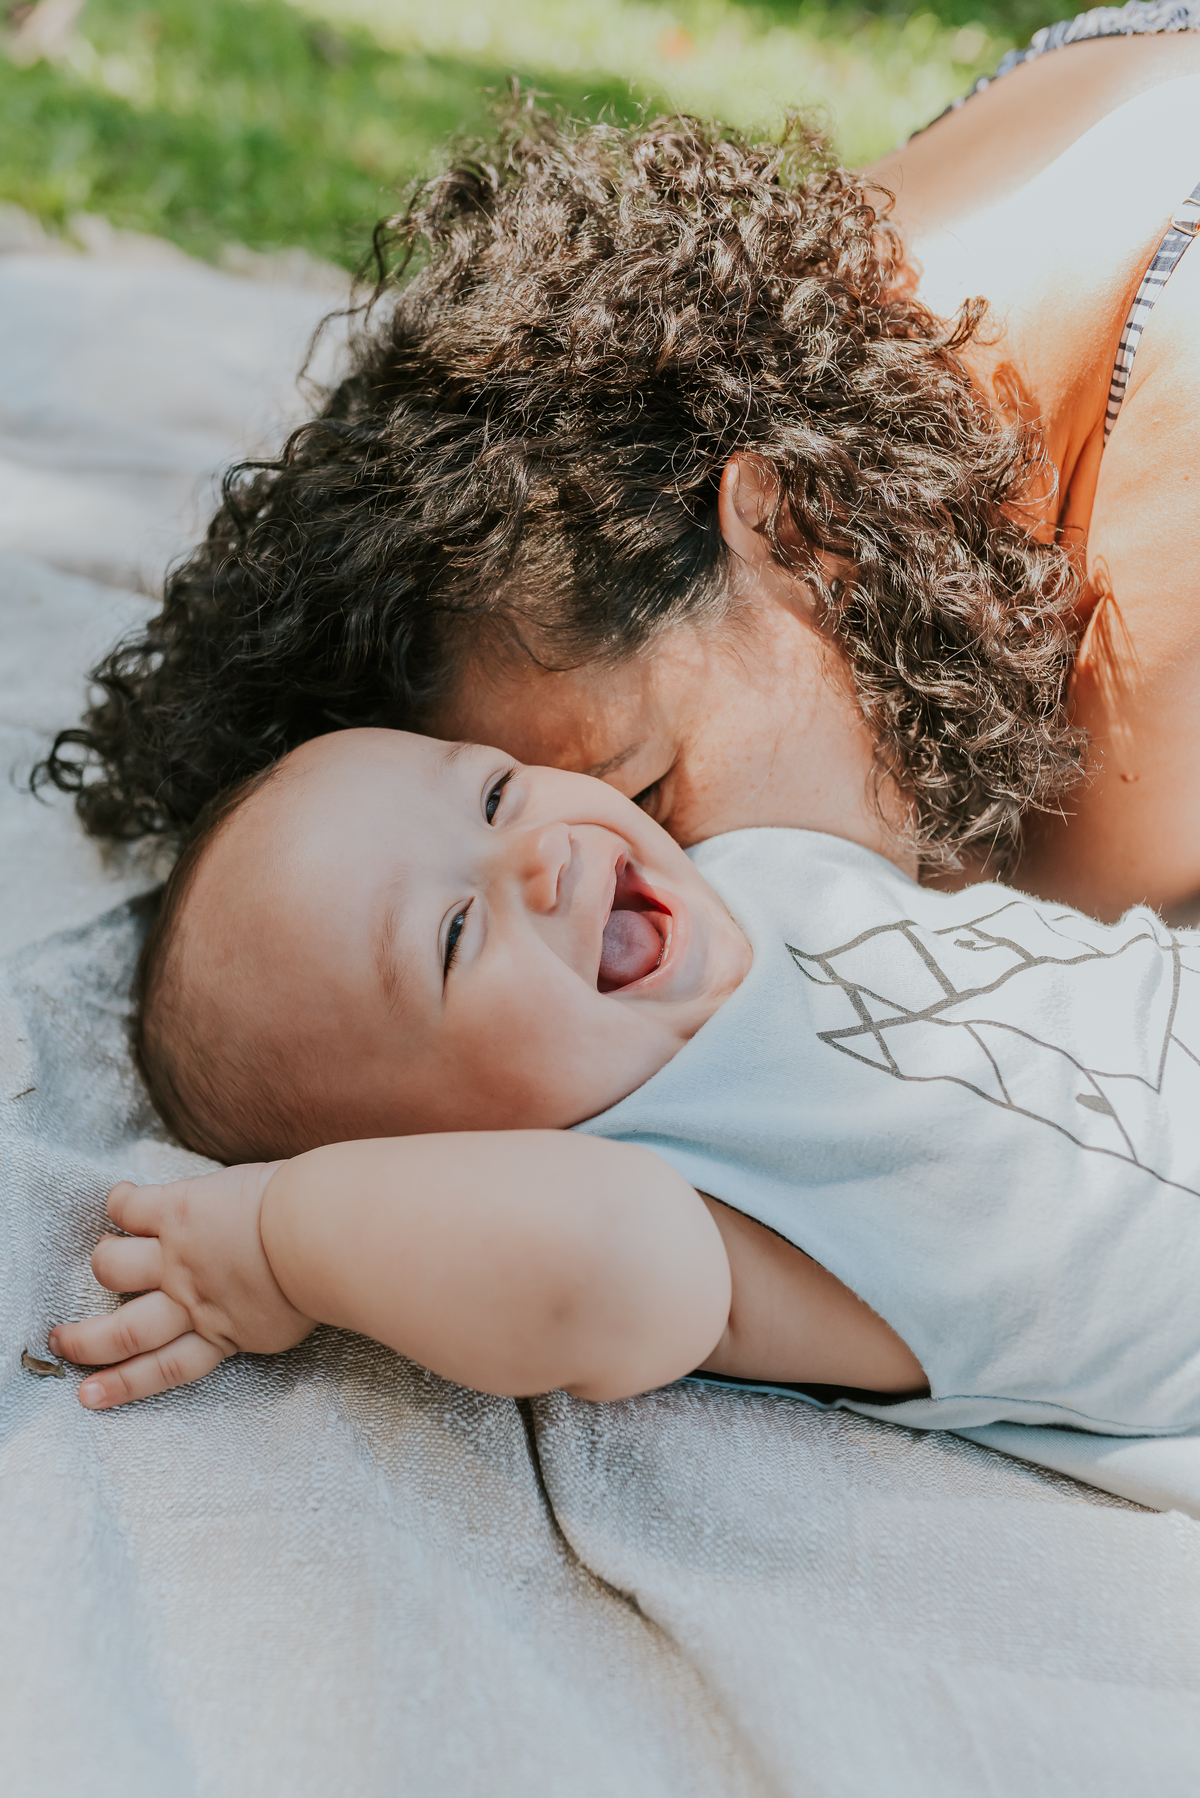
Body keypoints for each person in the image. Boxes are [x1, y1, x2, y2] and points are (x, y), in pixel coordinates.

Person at [35, 13, 1200, 924]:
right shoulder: (876, 310)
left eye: (650, 797)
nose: (622, 893)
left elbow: (982, 1020)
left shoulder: (1170, 467)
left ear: (787, 528)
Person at [50, 727, 1200, 1437]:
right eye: (453, 935)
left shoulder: (743, 861)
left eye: (495, 793)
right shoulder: (686, 1195)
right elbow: (585, 1269)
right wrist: (277, 1241)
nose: (539, 851)